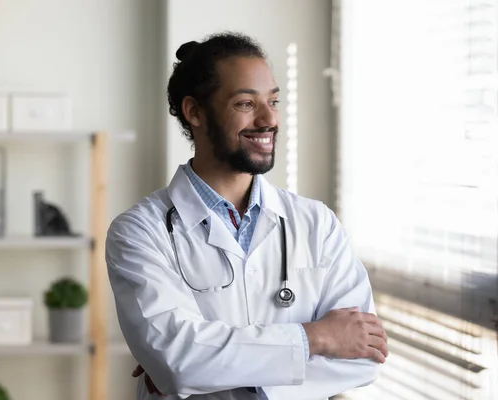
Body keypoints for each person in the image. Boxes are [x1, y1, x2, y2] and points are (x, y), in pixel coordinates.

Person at [105, 31, 388, 400]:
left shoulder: (317, 224)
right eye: (245, 104)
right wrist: (318, 337)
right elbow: (178, 362)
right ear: (195, 112)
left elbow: (364, 356)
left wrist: (211, 366)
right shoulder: (140, 231)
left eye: (274, 100)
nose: (269, 119)